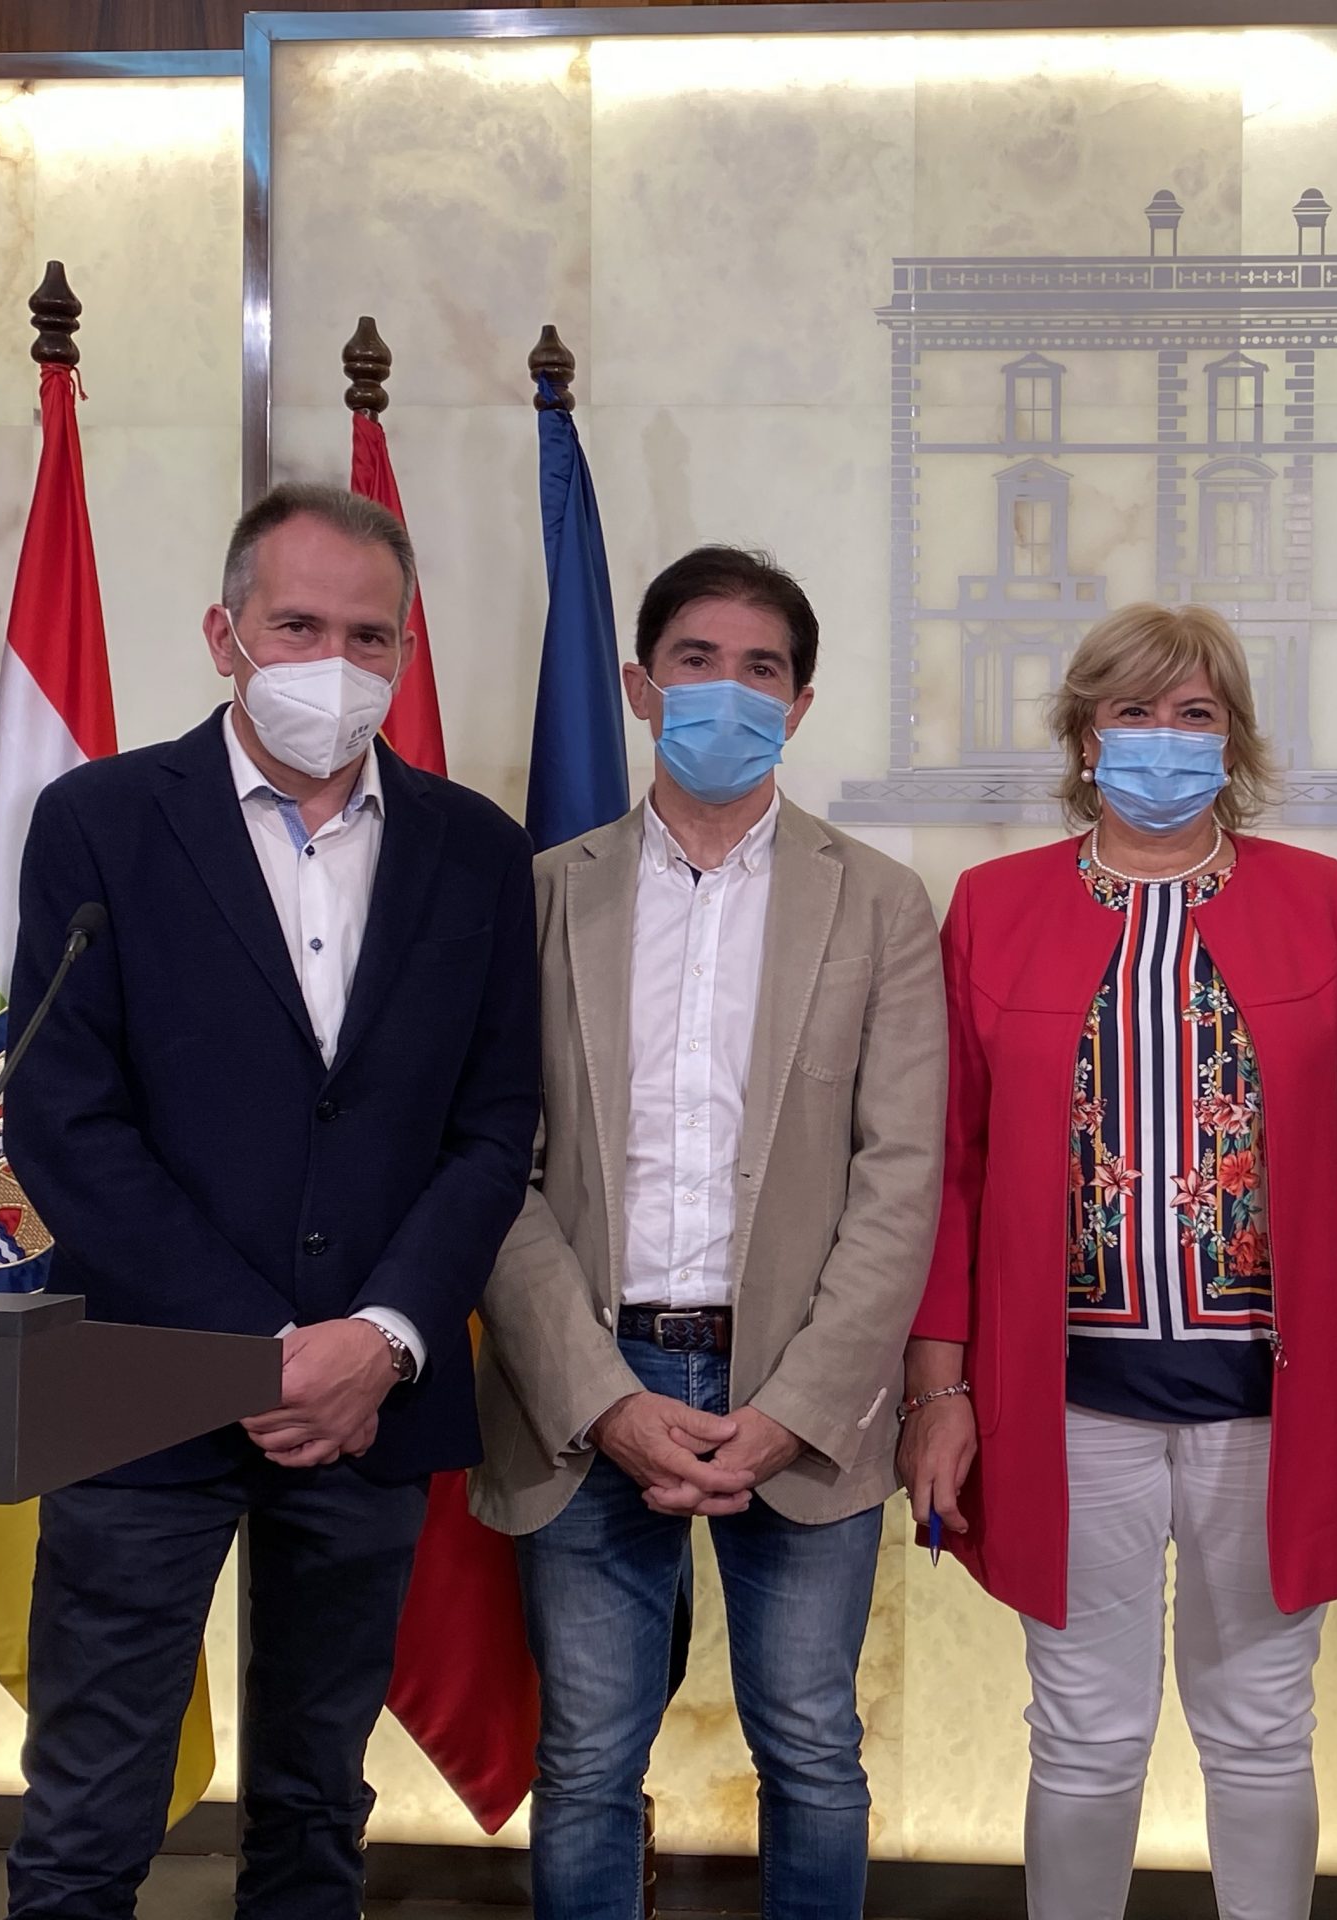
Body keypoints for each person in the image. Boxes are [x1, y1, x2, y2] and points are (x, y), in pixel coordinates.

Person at [0, 484, 540, 1919]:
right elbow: (64, 1120)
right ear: (223, 634)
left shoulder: (478, 851)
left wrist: (381, 1338)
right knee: (91, 1808)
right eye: (298, 626)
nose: (335, 663)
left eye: (370, 636)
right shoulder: (99, 820)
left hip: (369, 1397)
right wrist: (263, 1350)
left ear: (406, 653)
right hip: (140, 1383)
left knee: (316, 1808)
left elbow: (494, 1131)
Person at [897, 601, 1337, 1920]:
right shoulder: (994, 908)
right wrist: (938, 1388)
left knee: (1262, 1730)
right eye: (1134, 711)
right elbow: (951, 1169)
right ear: (1085, 737)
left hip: (1271, 1402)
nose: (1164, 738)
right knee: (1083, 1735)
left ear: (1231, 741)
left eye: (1196, 713)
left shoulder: (1316, 900)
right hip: (1067, 1406)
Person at [470, 545, 945, 1920]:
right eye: (696, 661)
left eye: (761, 669)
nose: (728, 691)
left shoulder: (880, 904)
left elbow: (899, 1178)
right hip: (587, 1384)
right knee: (586, 1762)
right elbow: (498, 1168)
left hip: (796, 1391)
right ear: (640, 686)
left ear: (799, 704)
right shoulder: (542, 896)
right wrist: (601, 1398)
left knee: (813, 1748)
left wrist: (798, 1408)